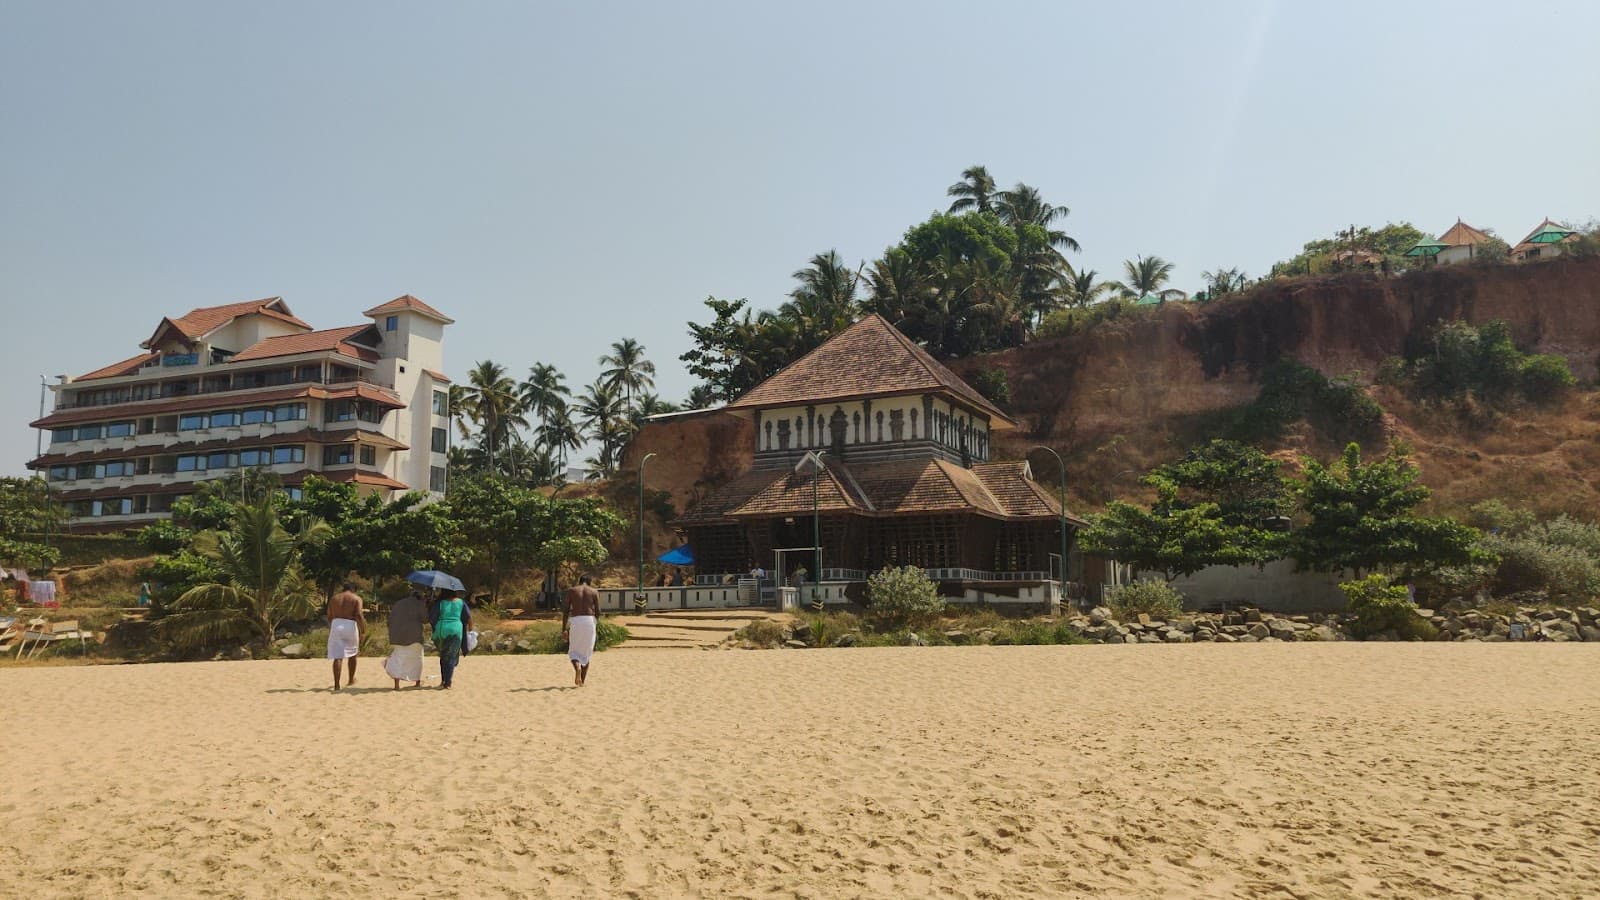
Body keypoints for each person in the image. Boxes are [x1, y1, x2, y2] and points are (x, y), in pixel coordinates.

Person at [384, 588, 429, 689]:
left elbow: (390, 619)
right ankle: (417, 682)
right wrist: (426, 606)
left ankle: (397, 685)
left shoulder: (398, 603)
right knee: (417, 659)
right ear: (420, 598)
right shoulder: (419, 604)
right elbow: (425, 619)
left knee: (399, 659)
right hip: (415, 636)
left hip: (397, 636)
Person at [562, 574, 601, 687]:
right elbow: (598, 610)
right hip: (589, 621)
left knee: (573, 651)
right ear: (589, 582)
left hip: (576, 621)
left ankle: (577, 667)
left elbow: (566, 610)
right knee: (587, 653)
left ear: (580, 581)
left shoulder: (572, 591)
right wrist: (595, 622)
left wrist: (564, 629)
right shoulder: (594, 591)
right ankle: (582, 682)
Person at [326, 582, 366, 691]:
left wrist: (334, 625)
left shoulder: (334, 599)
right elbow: (359, 614)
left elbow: (329, 615)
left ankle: (336, 685)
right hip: (350, 624)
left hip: (336, 623)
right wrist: (363, 631)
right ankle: (351, 679)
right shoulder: (356, 598)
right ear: (354, 589)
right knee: (353, 654)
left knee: (338, 656)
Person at [432, 589, 471, 689]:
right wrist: (470, 628)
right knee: (451, 656)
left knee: (443, 655)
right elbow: (467, 616)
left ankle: (444, 680)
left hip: (442, 630)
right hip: (456, 629)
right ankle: (448, 682)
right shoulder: (461, 602)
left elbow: (433, 617)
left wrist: (435, 627)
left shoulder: (440, 603)